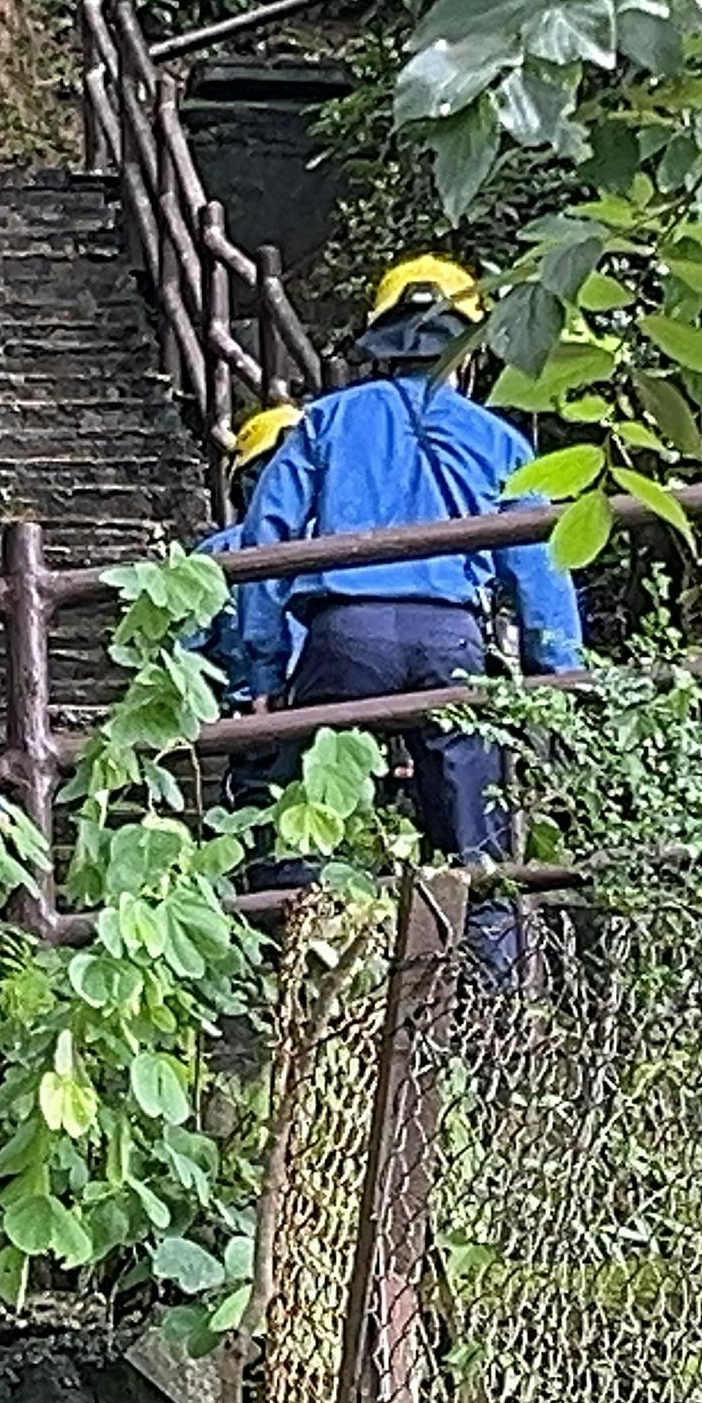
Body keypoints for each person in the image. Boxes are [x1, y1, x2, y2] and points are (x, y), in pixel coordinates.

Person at [239, 256, 586, 962]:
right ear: (465, 345)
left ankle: (317, 999)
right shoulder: (497, 440)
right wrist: (560, 675)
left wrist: (263, 667)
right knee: (472, 840)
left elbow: (264, 540)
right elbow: (537, 567)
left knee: (318, 825)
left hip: (343, 640)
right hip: (450, 643)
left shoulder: (324, 423)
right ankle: (496, 1015)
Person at [197, 403, 305, 713]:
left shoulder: (217, 553)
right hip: (335, 704)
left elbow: (185, 653)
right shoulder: (349, 538)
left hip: (253, 715)